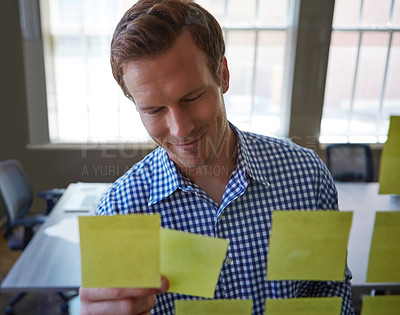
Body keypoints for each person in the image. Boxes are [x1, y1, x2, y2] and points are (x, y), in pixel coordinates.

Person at [79, 0, 355, 314]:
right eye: (154, 110)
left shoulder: (306, 176)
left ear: (222, 74)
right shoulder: (121, 210)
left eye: (192, 97)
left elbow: (327, 292)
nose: (180, 129)